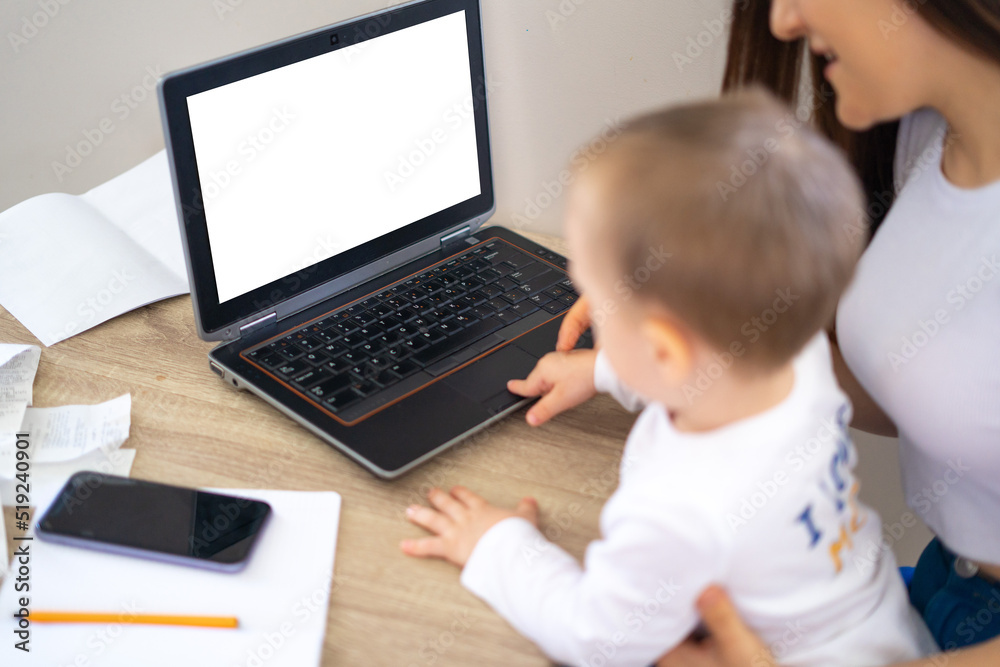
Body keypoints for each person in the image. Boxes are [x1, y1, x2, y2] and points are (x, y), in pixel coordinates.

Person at [400, 90, 935, 666]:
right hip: (887, 625)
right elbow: (712, 364)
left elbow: (596, 639)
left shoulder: (679, 509)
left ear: (664, 350)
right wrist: (603, 367)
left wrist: (499, 545)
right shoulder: (797, 357)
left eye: (593, 295)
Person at [558, 1, 999, 665]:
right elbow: (931, 388)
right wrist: (647, 348)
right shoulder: (930, 133)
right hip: (939, 587)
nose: (783, 22)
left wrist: (500, 549)